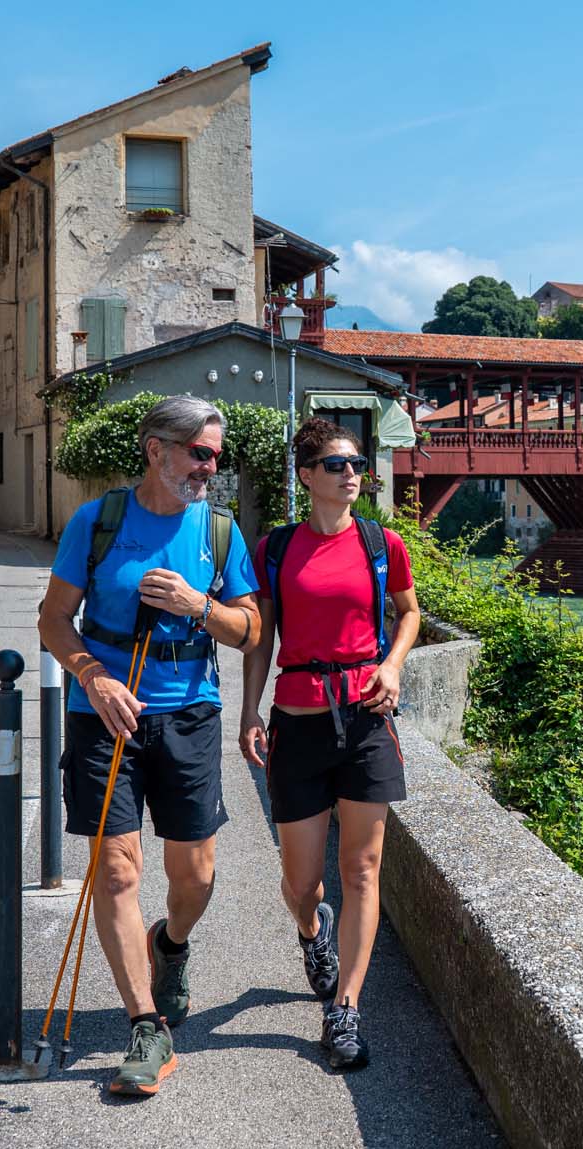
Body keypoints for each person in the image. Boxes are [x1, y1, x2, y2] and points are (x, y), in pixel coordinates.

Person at [38, 395, 262, 1096]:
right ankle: (145, 1029)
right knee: (117, 873)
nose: (209, 466)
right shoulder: (97, 523)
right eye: (199, 452)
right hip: (105, 715)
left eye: (216, 455)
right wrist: (91, 677)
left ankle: (169, 946)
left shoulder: (221, 533)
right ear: (155, 449)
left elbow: (252, 631)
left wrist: (199, 604)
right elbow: (53, 620)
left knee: (193, 876)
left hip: (190, 712)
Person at [240, 419, 420, 1071]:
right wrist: (249, 711)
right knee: (302, 882)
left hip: (368, 722)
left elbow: (409, 611)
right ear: (308, 476)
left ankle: (343, 1009)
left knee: (362, 870)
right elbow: (262, 635)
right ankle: (313, 934)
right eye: (338, 464)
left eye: (358, 464)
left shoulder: (382, 543)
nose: (352, 474)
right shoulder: (276, 550)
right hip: (300, 721)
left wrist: (393, 664)